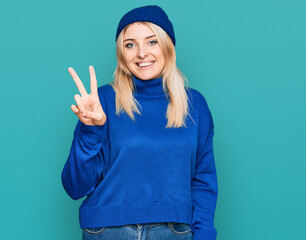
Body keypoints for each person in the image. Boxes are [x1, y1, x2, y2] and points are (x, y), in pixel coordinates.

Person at [61, 5, 218, 240]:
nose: (141, 53)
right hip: (107, 232)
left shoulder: (194, 105)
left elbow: (203, 180)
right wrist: (90, 130)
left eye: (152, 41)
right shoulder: (102, 100)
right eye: (130, 44)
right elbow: (75, 187)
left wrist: (204, 235)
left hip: (174, 232)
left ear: (168, 46)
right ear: (122, 53)